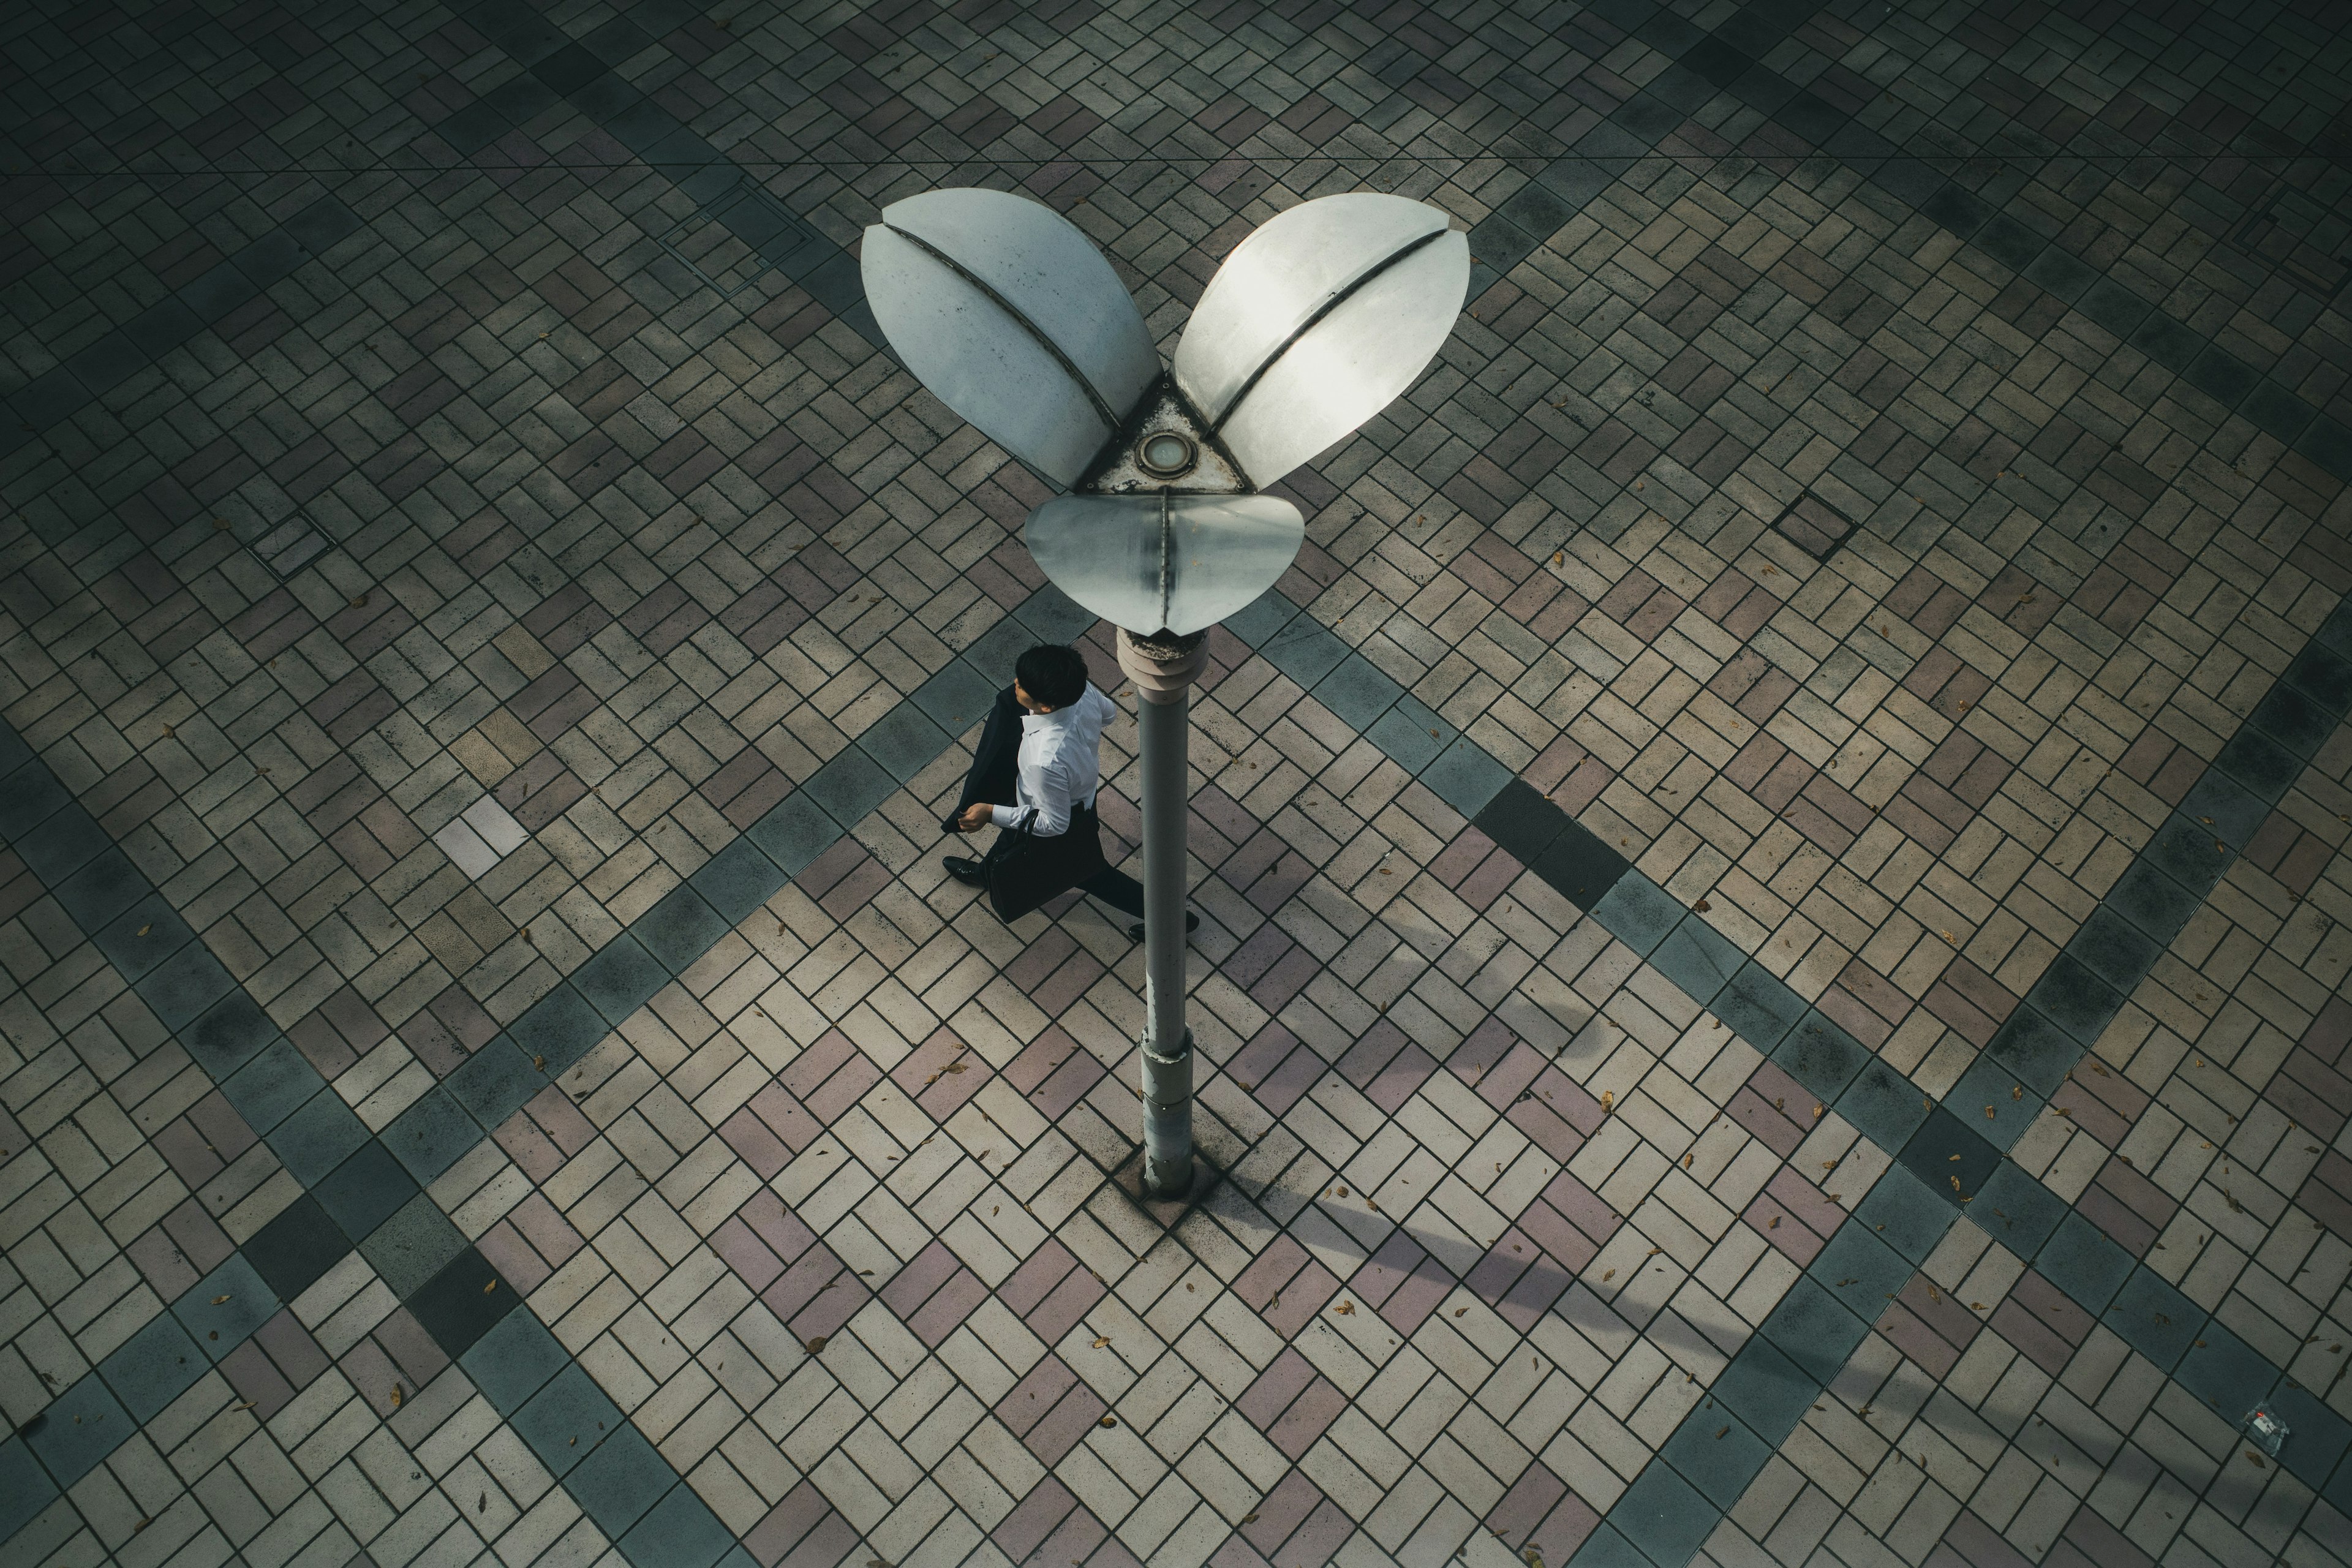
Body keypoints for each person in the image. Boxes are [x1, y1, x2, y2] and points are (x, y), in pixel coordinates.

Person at [942, 644, 1199, 941]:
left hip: (1060, 816)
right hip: (1077, 798)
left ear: (1047, 706)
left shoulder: (1043, 760)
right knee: (1010, 841)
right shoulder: (1080, 690)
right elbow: (1110, 714)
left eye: (1022, 685)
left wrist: (991, 813)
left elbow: (1054, 825)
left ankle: (1176, 922)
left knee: (1093, 875)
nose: (1015, 684)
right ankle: (986, 874)